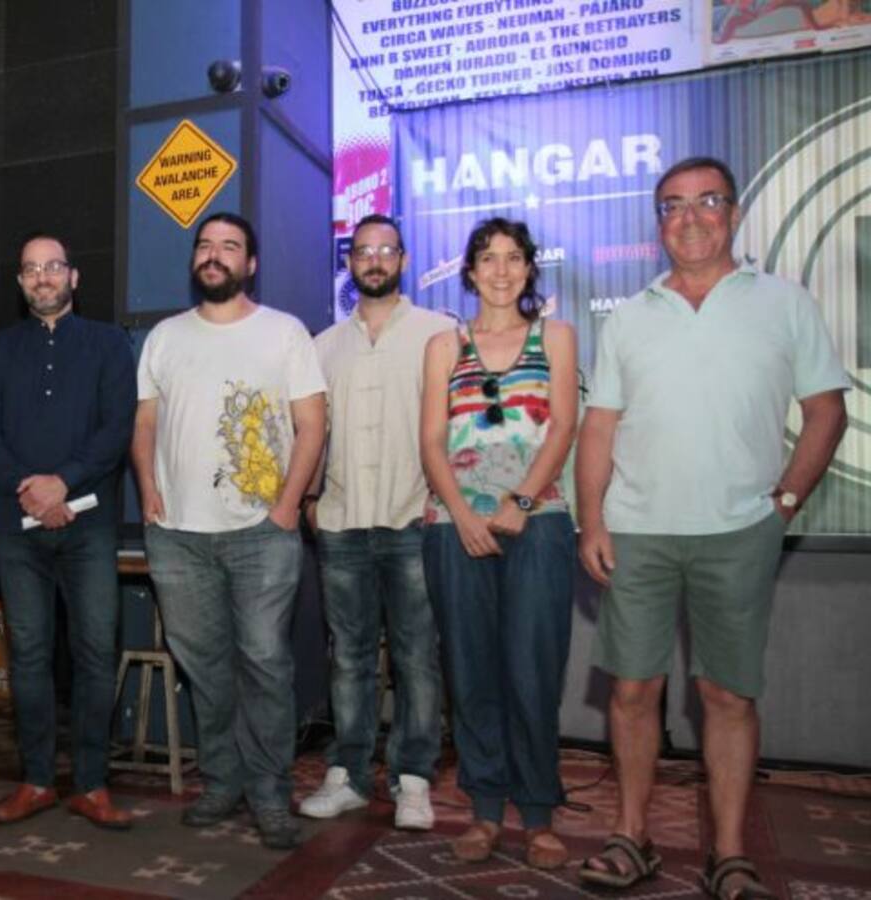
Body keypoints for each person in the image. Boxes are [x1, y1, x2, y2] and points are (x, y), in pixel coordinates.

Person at [576, 156, 848, 898]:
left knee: (728, 696)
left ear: (732, 212)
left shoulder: (784, 304)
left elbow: (828, 411)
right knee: (633, 692)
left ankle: (729, 853)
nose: (689, 217)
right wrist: (591, 520)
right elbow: (598, 428)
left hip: (739, 531)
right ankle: (632, 839)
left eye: (706, 202)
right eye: (672, 206)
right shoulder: (630, 318)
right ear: (657, 221)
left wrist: (785, 503)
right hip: (635, 531)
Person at [132, 212, 326, 850]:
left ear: (251, 264)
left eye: (230, 247)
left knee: (266, 664)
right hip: (178, 536)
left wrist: (288, 506)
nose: (214, 255)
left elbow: (312, 426)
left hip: (261, 533)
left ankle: (270, 792)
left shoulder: (285, 333)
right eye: (205, 245)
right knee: (206, 669)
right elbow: (145, 425)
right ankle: (223, 780)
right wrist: (150, 491)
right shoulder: (163, 336)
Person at [419, 218, 579, 869]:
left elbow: (564, 425)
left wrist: (520, 502)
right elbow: (431, 441)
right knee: (473, 674)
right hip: (455, 526)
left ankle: (538, 815)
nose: (502, 270)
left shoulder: (556, 337)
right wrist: (461, 514)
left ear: (530, 269)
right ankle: (484, 814)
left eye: (514, 259)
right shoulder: (443, 345)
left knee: (532, 672)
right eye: (489, 258)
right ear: (470, 270)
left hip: (537, 525)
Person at [0, 233, 136, 828]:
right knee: (30, 656)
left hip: (89, 526)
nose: (43, 278)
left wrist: (61, 483)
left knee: (94, 652)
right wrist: (31, 490)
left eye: (53, 267)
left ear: (73, 277)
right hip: (17, 526)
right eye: (31, 269)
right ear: (20, 282)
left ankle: (91, 784)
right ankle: (36, 780)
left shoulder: (110, 345)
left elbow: (117, 429)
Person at [299, 214, 447, 830]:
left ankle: (413, 778)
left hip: (412, 517)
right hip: (340, 522)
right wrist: (308, 498)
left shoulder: (440, 333)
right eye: (363, 251)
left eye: (386, 249)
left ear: (404, 260)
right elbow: (310, 431)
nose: (375, 259)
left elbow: (454, 427)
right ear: (351, 263)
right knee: (349, 657)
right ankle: (351, 773)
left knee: (417, 656)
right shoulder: (322, 345)